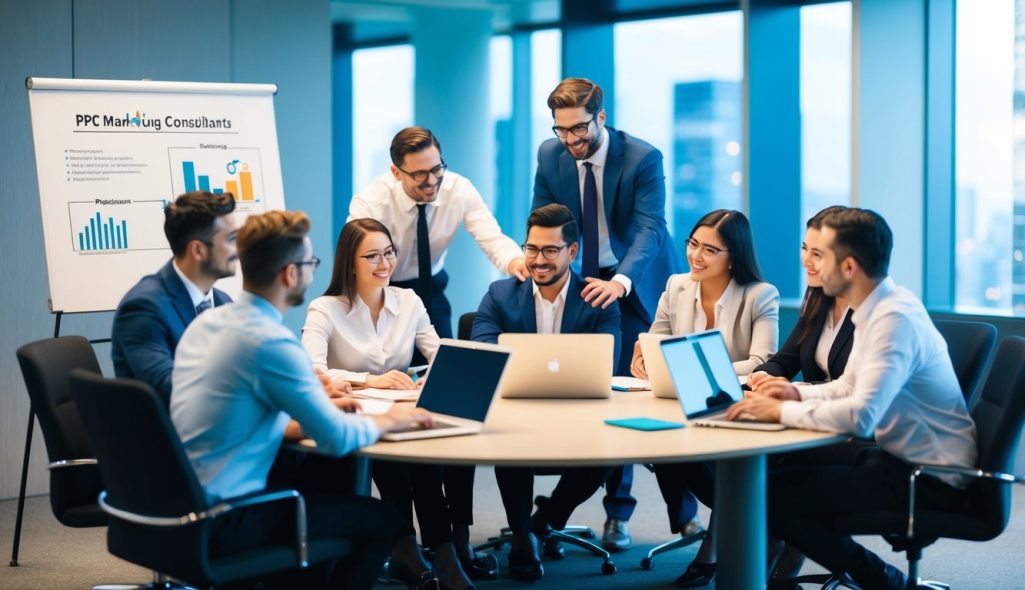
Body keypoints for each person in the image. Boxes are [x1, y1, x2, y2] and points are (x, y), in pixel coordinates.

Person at [171, 210, 434, 590]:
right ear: (290, 274)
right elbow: (337, 439)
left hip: (181, 503)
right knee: (383, 520)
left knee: (331, 478)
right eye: (310, 263)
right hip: (229, 516)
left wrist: (310, 413)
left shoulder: (209, 322)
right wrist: (394, 420)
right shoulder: (270, 341)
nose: (313, 272)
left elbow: (239, 411)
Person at [728, 208, 977, 590]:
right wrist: (794, 391)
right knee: (775, 483)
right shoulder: (876, 307)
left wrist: (782, 410)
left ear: (848, 267)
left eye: (820, 255)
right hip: (898, 460)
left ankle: (887, 582)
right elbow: (848, 385)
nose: (811, 264)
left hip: (927, 477)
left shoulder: (893, 319)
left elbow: (862, 416)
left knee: (776, 500)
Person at [532, 77, 683, 548]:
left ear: (600, 117)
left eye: (579, 128)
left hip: (636, 282)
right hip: (583, 283)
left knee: (640, 394)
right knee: (594, 392)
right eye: (561, 130)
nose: (571, 140)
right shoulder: (550, 155)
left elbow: (650, 229)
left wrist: (621, 281)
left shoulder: (642, 157)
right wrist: (538, 262)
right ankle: (574, 509)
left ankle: (647, 514)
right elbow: (542, 219)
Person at [302, 218, 483, 590]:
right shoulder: (325, 309)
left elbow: (439, 353)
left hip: (400, 411)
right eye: (372, 256)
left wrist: (437, 376)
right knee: (396, 465)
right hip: (356, 417)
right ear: (350, 262)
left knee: (424, 462)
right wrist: (369, 380)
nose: (384, 264)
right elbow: (312, 369)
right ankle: (412, 551)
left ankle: (439, 553)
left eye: (389, 253)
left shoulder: (408, 301)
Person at [470, 204, 621, 582]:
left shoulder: (597, 298)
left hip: (579, 417)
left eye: (550, 250)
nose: (539, 260)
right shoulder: (500, 294)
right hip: (516, 415)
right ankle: (523, 538)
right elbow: (483, 352)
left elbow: (605, 362)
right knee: (511, 443)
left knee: (613, 448)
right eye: (532, 249)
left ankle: (545, 520)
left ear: (572, 251)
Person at [631, 209, 779, 587]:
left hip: (731, 407)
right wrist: (645, 356)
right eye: (693, 244)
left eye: (710, 250)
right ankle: (744, 514)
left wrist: (693, 365)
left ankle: (720, 538)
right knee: (659, 443)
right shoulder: (677, 286)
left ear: (733, 256)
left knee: (703, 458)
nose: (696, 256)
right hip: (677, 402)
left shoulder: (759, 295)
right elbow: (656, 341)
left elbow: (762, 362)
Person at [348, 126, 527, 341]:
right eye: (419, 174)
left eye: (436, 168)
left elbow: (491, 237)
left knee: (443, 357)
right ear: (396, 173)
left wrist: (515, 261)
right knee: (388, 360)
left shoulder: (459, 189)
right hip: (382, 289)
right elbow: (354, 260)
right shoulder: (370, 203)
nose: (432, 181)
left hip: (432, 288)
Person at [111, 191, 236, 403]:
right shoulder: (143, 309)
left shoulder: (223, 303)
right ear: (198, 250)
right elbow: (172, 390)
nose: (238, 250)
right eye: (231, 239)